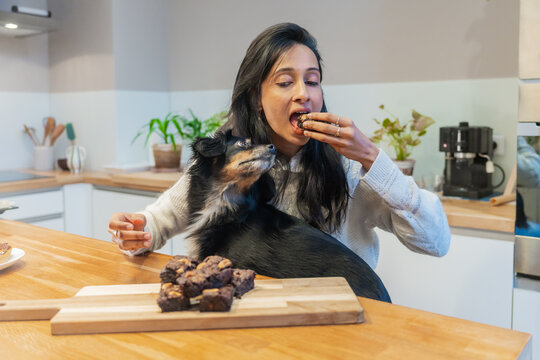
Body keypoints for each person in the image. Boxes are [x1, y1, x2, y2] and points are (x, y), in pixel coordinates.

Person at [108, 23, 450, 269]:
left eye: (313, 81)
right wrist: (136, 231)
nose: (303, 93)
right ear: (257, 97)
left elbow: (437, 243)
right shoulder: (231, 159)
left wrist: (371, 158)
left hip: (342, 321)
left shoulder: (349, 168)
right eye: (285, 82)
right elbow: (160, 220)